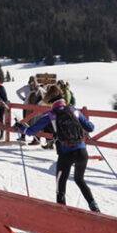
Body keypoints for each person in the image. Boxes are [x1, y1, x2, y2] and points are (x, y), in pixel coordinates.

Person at [18, 84, 100, 213]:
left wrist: (20, 127)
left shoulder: (50, 114)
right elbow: (91, 127)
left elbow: (30, 131)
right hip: (82, 151)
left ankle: (62, 214)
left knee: (60, 187)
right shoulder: (73, 110)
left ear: (49, 99)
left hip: (65, 153)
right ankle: (94, 207)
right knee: (80, 180)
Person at [16, 76, 45, 145]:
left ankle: (37, 139)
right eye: (30, 83)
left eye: (33, 83)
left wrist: (39, 104)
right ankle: (24, 136)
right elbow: (18, 92)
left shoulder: (39, 89)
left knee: (35, 123)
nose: (31, 84)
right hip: (27, 107)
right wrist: (23, 99)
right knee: (26, 121)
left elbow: (45, 97)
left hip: (36, 109)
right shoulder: (27, 88)